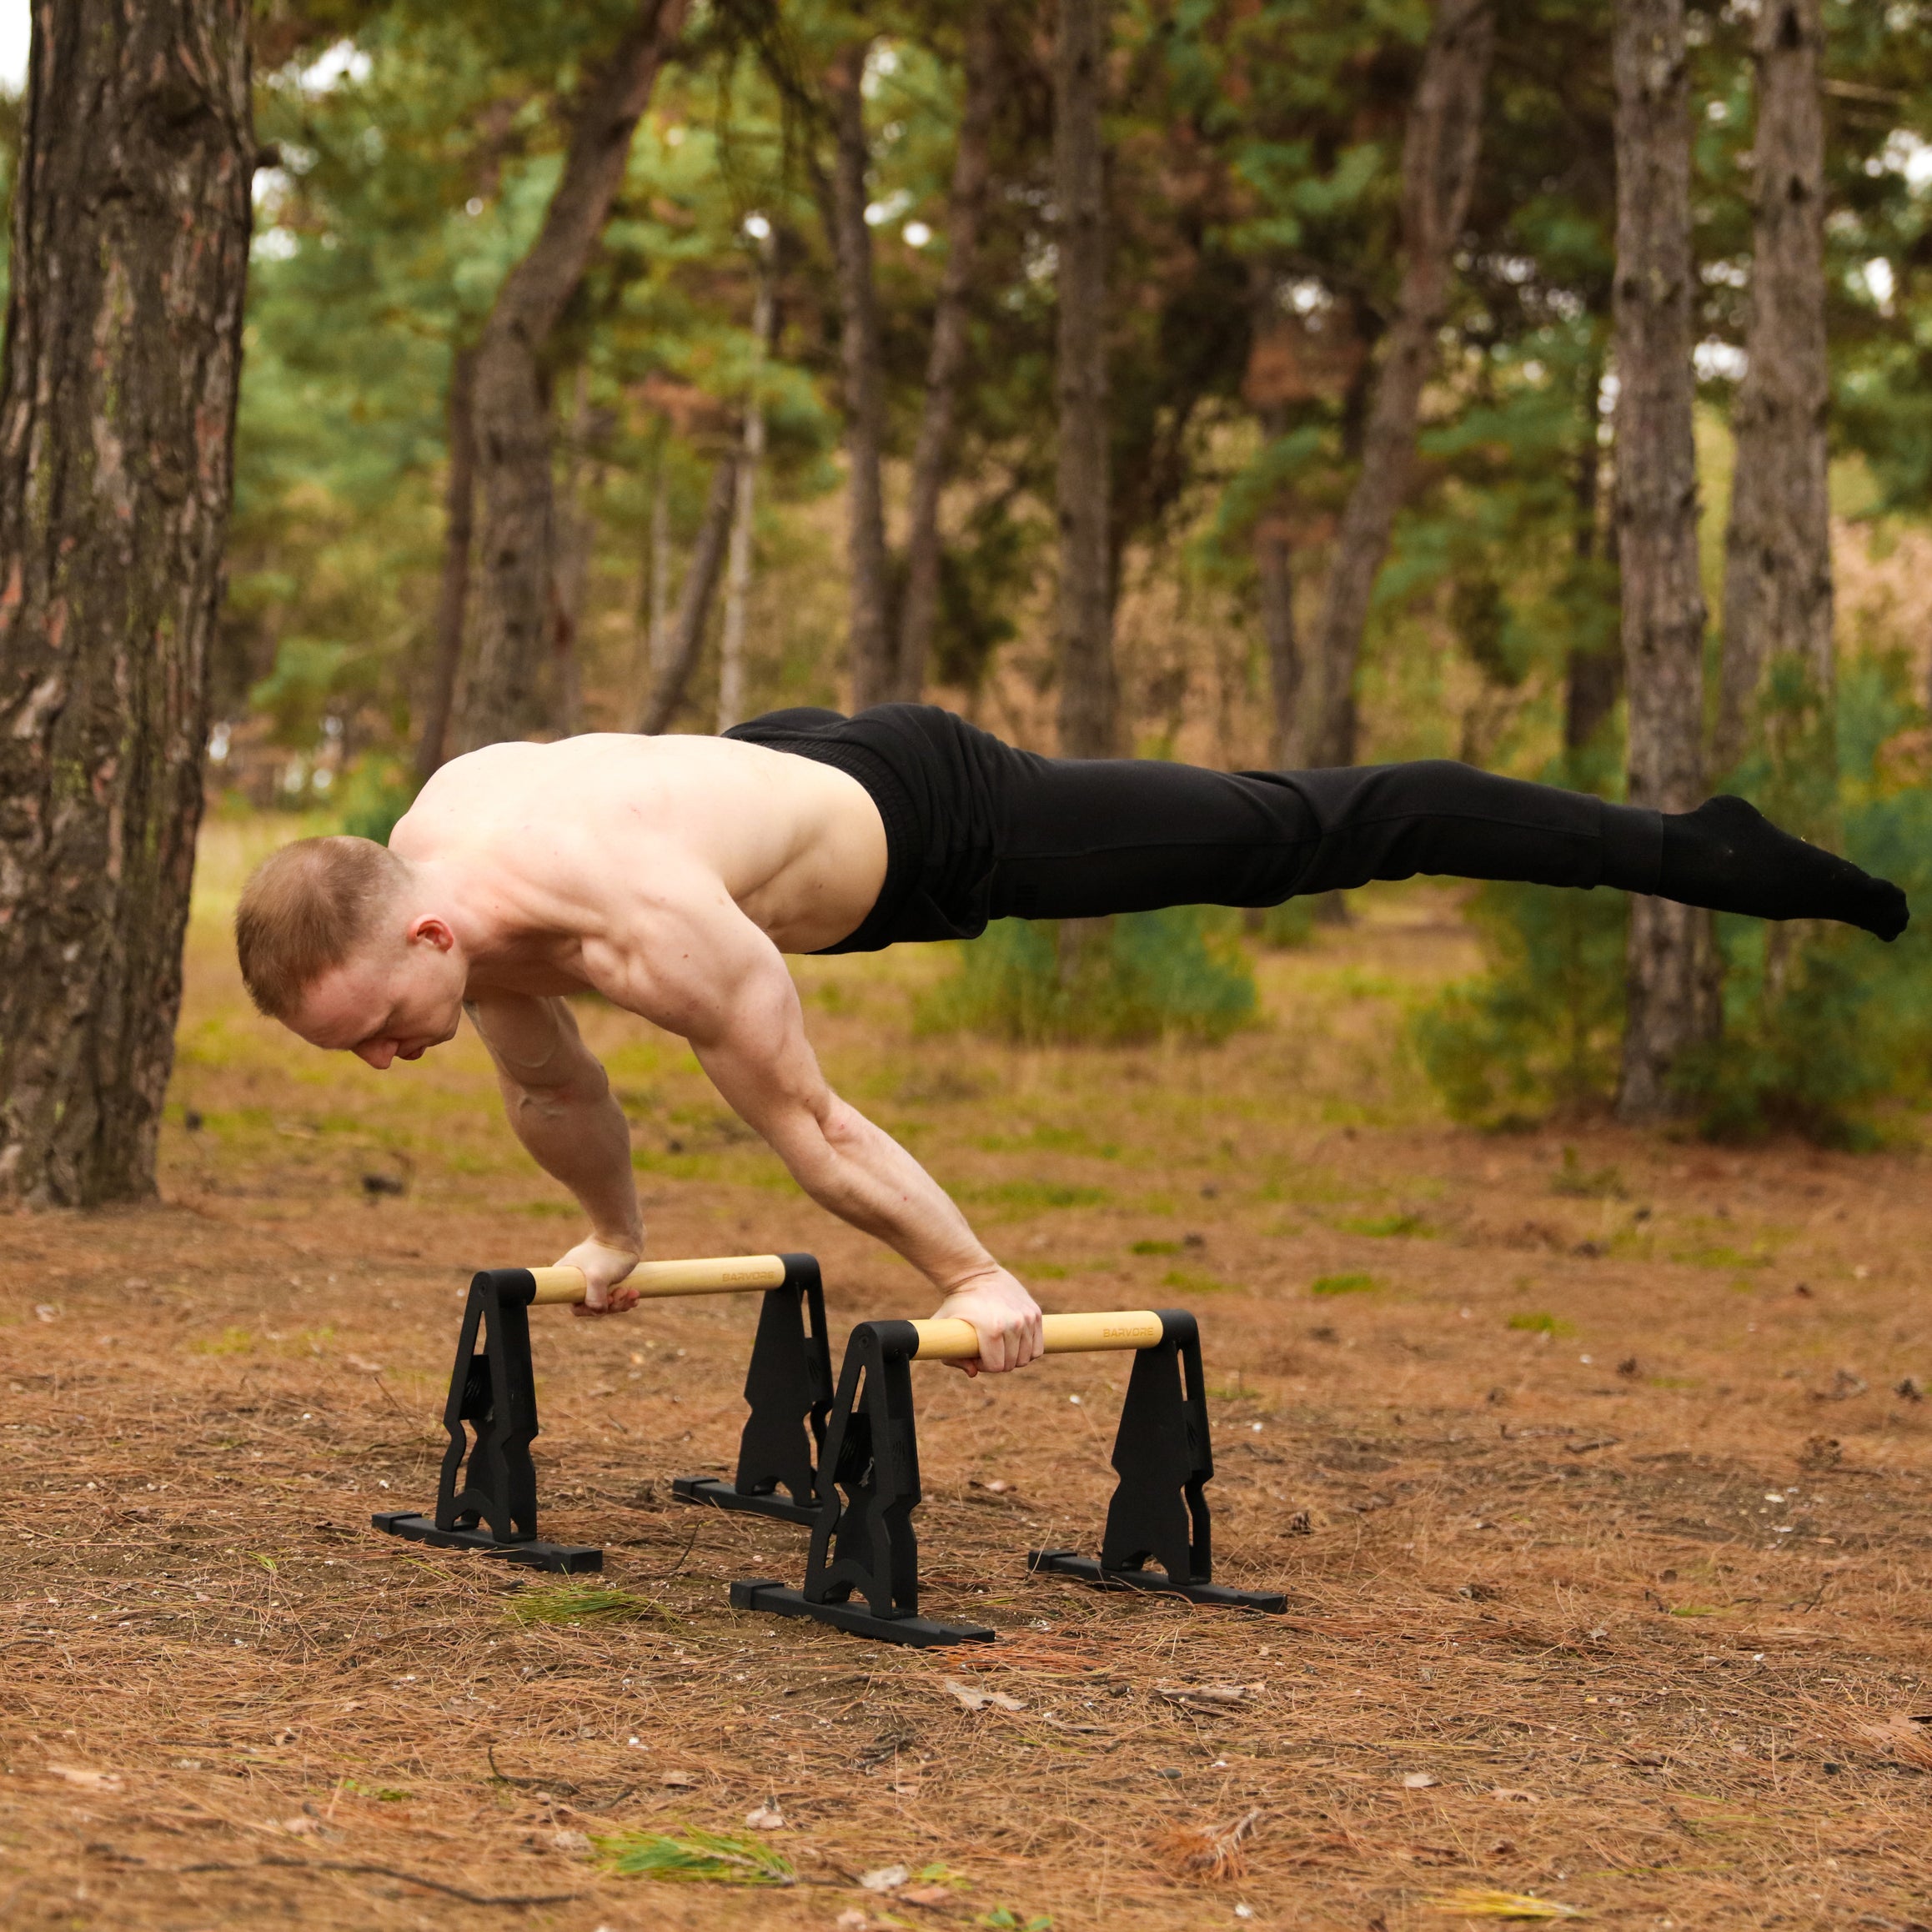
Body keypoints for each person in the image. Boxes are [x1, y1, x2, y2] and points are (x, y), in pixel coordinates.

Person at [235, 704, 1909, 1374]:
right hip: (759, 778)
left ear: (431, 934)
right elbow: (549, 1082)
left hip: (930, 816)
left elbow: (809, 1127)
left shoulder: (633, 926)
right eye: (360, 1055)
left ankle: (1699, 847)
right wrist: (612, 1237)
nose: (392, 1062)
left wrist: (974, 1275)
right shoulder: (429, 860)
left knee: (1315, 828)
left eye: (384, 1032)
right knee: (544, 1065)